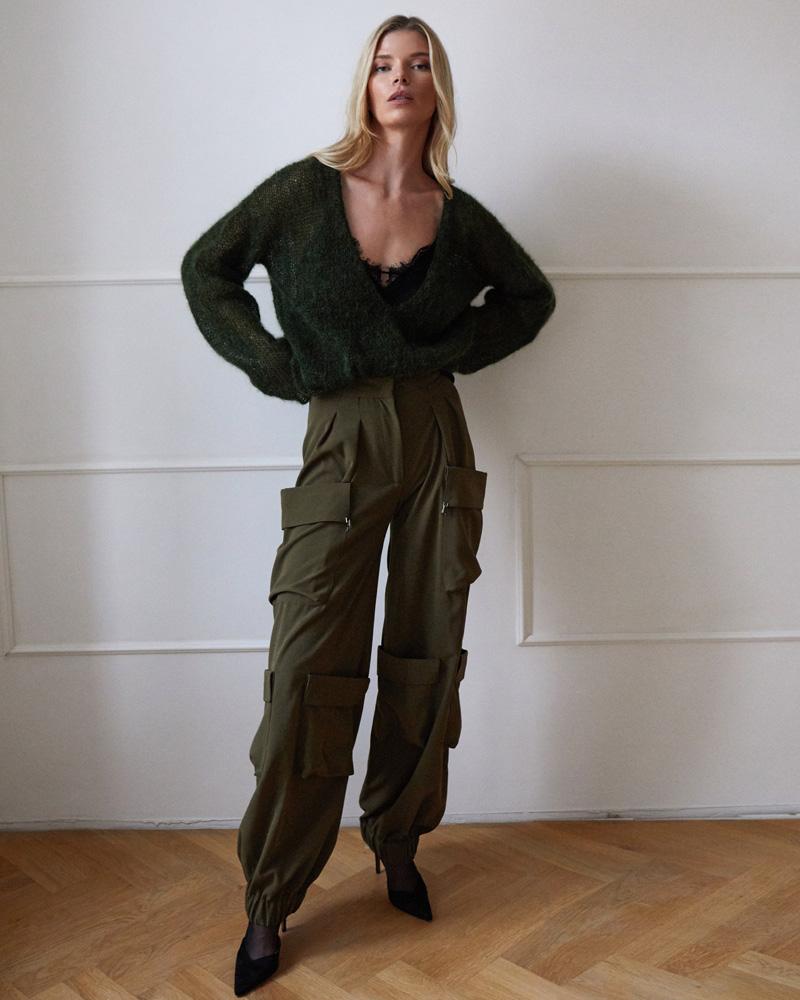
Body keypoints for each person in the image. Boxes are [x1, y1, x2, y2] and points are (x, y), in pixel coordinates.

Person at [180, 14, 557, 996]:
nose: (399, 78)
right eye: (384, 64)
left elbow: (529, 299)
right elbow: (205, 268)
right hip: (340, 437)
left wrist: (452, 350)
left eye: (418, 64)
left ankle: (397, 840)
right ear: (364, 82)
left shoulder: (456, 214)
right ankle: (272, 894)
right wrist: (277, 366)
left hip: (434, 435)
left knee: (428, 647)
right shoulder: (303, 194)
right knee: (308, 661)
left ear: (436, 87)